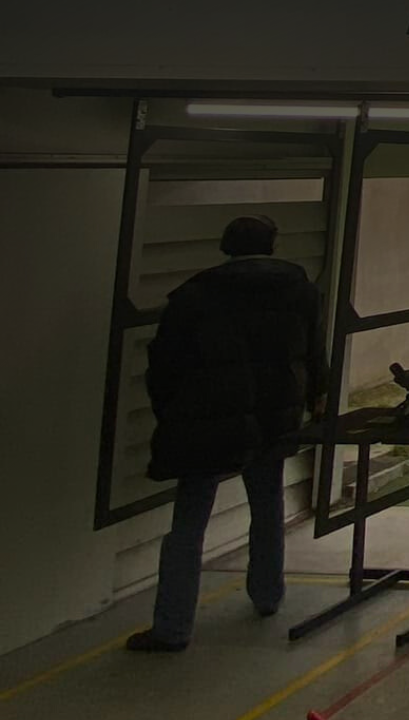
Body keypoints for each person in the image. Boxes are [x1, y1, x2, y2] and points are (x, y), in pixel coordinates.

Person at [130, 215, 324, 652]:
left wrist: (175, 414)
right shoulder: (300, 290)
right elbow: (314, 351)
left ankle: (172, 627)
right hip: (273, 418)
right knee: (268, 505)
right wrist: (313, 397)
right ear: (272, 246)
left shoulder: (196, 296)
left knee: (188, 524)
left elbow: (164, 365)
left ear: (225, 246)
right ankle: (268, 595)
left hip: (206, 421)